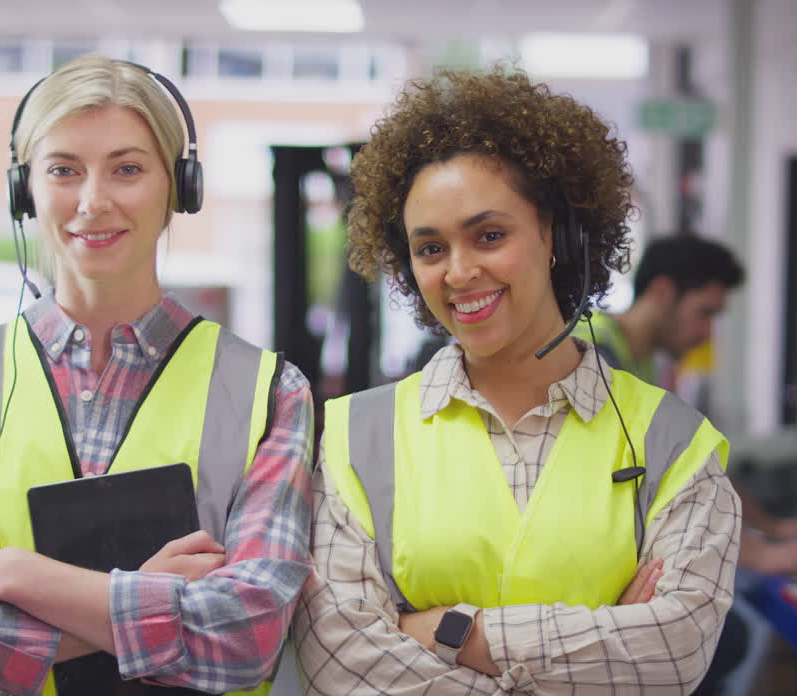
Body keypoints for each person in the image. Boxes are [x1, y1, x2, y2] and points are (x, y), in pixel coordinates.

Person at [0, 54, 314, 696]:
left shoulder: (271, 393)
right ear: (25, 189)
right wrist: (149, 605)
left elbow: (244, 639)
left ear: (179, 188)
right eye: (64, 170)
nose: (93, 202)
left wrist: (19, 576)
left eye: (127, 169)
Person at [294, 67, 741, 695]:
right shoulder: (351, 437)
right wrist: (602, 636)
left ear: (559, 235)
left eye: (490, 235)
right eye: (430, 248)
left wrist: (445, 633)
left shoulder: (674, 444)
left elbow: (671, 653)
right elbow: (340, 660)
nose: (459, 271)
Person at [572, 234, 797, 578]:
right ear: (663, 292)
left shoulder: (641, 364)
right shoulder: (596, 354)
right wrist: (759, 555)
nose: (707, 333)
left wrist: (773, 528)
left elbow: (693, 461)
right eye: (704, 313)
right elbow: (656, 482)